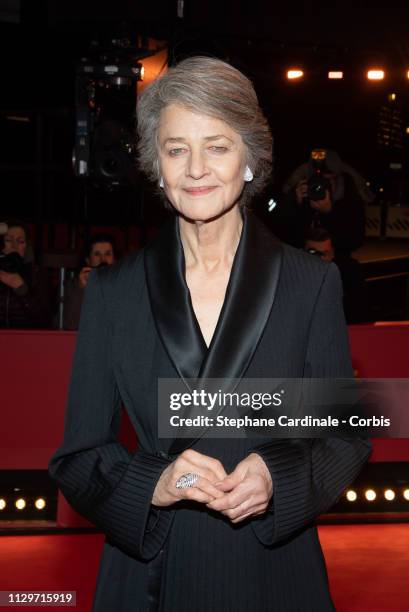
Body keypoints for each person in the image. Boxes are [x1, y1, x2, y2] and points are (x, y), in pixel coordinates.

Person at [48, 57, 371, 611]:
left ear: (250, 158)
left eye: (217, 146)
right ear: (156, 164)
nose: (196, 168)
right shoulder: (113, 292)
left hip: (273, 573)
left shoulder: (311, 283)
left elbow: (345, 432)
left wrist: (277, 475)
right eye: (176, 149)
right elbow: (78, 457)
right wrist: (155, 482)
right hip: (150, 574)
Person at [275, 148, 373, 258]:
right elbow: (285, 237)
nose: (322, 186)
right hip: (303, 261)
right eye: (318, 180)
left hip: (337, 264)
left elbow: (354, 242)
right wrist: (295, 204)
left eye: (328, 181)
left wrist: (329, 213)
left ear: (338, 179)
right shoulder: (304, 197)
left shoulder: (350, 199)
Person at [304, 227, 368, 323]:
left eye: (325, 253)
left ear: (333, 253)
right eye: (314, 253)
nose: (320, 259)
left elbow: (359, 313)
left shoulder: (349, 273)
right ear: (302, 253)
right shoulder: (293, 276)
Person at [0, 221, 52, 328]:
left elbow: (45, 320)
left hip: (26, 340)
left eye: (20, 241)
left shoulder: (37, 274)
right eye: (8, 240)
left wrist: (22, 290)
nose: (14, 246)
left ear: (27, 246)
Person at [63, 234, 116, 330]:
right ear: (88, 260)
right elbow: (70, 325)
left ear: (114, 259)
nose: (103, 259)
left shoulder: (125, 286)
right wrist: (80, 290)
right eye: (97, 254)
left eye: (108, 254)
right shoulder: (73, 286)